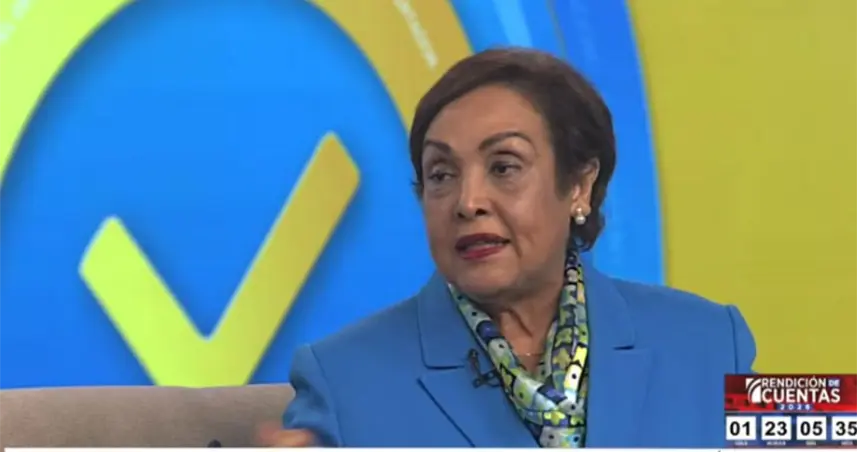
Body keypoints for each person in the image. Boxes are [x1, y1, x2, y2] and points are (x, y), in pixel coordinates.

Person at [261, 47, 756, 448]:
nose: (468, 201)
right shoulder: (343, 380)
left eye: (504, 167)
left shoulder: (714, 341)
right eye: (441, 174)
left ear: (579, 185)